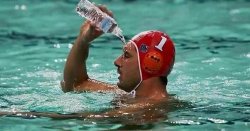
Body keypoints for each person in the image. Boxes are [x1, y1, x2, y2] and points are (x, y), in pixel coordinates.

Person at [60, 6, 175, 101]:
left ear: (151, 63)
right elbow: (76, 85)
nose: (116, 62)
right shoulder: (129, 95)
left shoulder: (147, 112)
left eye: (126, 55)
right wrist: (83, 40)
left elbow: (74, 119)